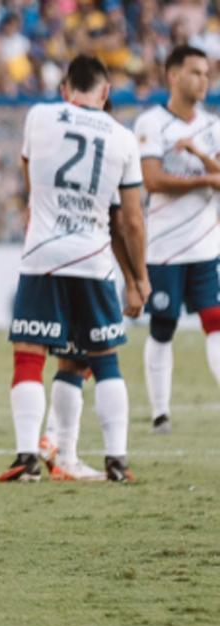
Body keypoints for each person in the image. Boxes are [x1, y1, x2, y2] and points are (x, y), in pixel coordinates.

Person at [0, 55, 149, 485]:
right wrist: (138, 279)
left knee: (29, 355)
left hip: (43, 255)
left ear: (65, 89)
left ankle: (27, 456)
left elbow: (29, 170)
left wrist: (37, 204)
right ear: (105, 94)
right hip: (94, 257)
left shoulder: (40, 116)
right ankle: (116, 461)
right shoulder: (122, 137)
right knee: (103, 362)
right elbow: (131, 221)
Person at [132, 45, 220, 434]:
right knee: (162, 327)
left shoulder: (213, 126)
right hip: (164, 248)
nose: (204, 80)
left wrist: (200, 155)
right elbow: (152, 180)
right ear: (173, 76)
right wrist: (204, 179)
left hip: (206, 244)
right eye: (196, 73)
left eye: (207, 73)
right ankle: (160, 413)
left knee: (216, 322)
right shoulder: (151, 124)